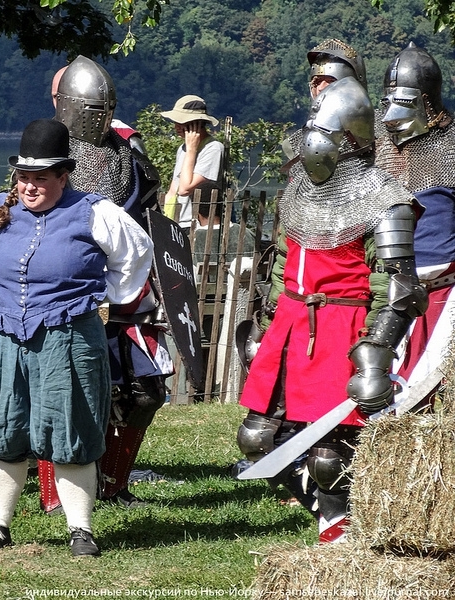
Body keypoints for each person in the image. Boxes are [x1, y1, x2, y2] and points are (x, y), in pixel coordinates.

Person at [0, 119, 154, 556]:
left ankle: (80, 530)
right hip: (6, 338)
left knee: (71, 430)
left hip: (69, 339)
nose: (30, 186)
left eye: (41, 177)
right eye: (24, 176)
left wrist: (103, 296)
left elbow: (136, 254)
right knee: (6, 429)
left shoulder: (95, 212)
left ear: (64, 175)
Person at [237, 76, 427, 543]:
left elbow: (399, 288)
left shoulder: (384, 199)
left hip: (343, 325)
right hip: (291, 320)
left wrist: (376, 351)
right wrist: (266, 326)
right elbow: (282, 264)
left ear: (348, 141)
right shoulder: (299, 191)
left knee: (329, 451)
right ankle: (327, 512)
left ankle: (338, 527)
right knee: (257, 439)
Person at [46, 55, 171, 511]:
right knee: (60, 393)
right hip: (67, 294)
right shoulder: (48, 159)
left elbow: (152, 223)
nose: (98, 115)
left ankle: (112, 485)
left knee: (143, 392)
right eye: (91, 106)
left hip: (128, 295)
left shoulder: (130, 157)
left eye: (105, 106)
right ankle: (52, 496)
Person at [374, 43, 455, 407]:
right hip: (388, 288)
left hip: (442, 288)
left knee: (428, 384)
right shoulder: (381, 146)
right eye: (389, 101)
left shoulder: (450, 146)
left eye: (403, 102)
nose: (392, 115)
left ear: (426, 100)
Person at [159, 95, 224, 228]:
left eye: (182, 122)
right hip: (176, 221)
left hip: (195, 224)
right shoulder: (182, 149)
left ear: (197, 123)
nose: (176, 127)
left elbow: (185, 189)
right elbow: (173, 190)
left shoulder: (213, 148)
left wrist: (191, 151)